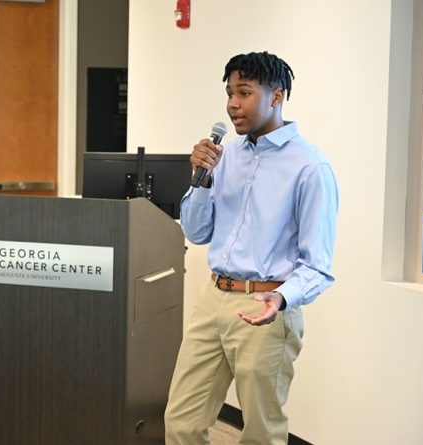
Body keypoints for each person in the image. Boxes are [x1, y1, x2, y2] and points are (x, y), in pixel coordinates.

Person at [164, 51, 339, 444]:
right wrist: (202, 180)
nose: (232, 104)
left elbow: (319, 265)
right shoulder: (226, 157)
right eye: (229, 93)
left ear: (277, 96)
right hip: (214, 299)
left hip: (265, 306)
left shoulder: (309, 167)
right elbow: (196, 232)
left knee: (261, 433)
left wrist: (280, 299)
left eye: (244, 93)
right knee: (181, 422)